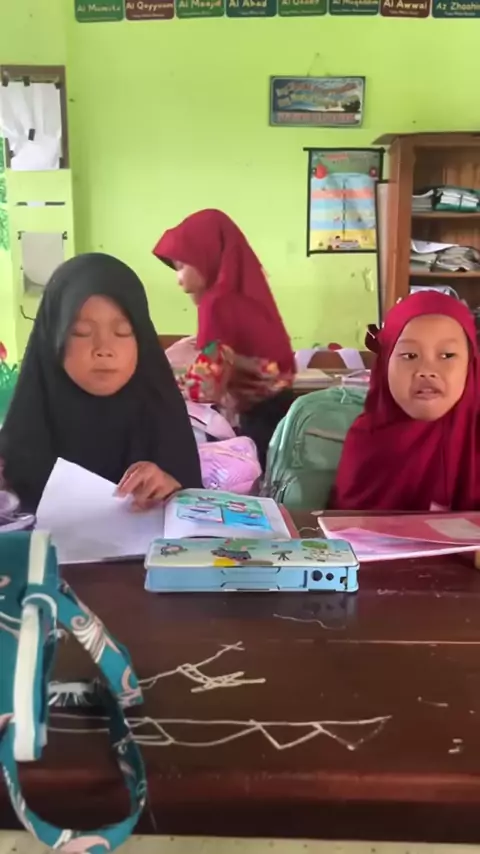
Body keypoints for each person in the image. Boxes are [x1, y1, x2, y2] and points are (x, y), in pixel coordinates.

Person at [0, 253, 202, 512]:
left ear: (141, 339)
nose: (104, 349)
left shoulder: (163, 417)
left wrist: (173, 493)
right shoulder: (19, 442)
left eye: (122, 332)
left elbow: (200, 513)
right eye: (82, 332)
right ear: (53, 339)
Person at [153, 209, 295, 468]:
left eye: (182, 266)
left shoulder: (216, 303)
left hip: (258, 420)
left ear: (205, 257)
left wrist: (165, 375)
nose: (178, 279)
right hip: (282, 411)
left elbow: (205, 388)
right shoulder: (245, 296)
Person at [333, 291, 479, 512]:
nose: (427, 371)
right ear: (385, 365)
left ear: (471, 364)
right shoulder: (366, 443)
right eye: (410, 356)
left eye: (447, 355)